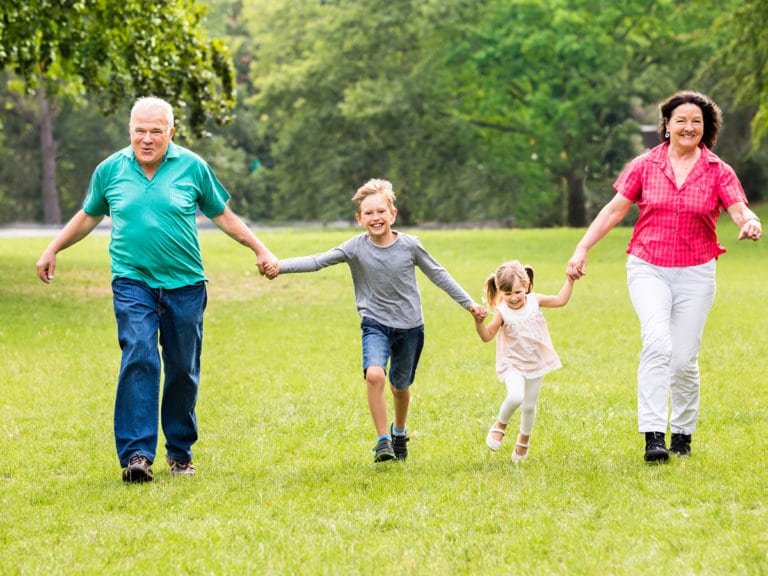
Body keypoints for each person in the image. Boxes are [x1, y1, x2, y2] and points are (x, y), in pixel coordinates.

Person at [36, 96, 277, 483]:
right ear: (130, 130)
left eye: (155, 131)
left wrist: (259, 247)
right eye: (139, 131)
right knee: (140, 355)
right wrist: (52, 248)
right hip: (133, 281)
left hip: (185, 285)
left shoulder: (192, 167)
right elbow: (87, 215)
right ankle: (136, 455)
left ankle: (180, 452)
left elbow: (223, 215)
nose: (146, 139)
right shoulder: (110, 170)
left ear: (170, 132)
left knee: (183, 369)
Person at [566, 90, 762, 462]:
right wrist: (582, 248)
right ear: (667, 125)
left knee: (684, 359)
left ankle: (683, 434)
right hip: (648, 267)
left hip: (696, 272)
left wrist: (750, 223)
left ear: (706, 128)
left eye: (696, 122)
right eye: (681, 120)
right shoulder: (644, 165)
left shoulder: (718, 170)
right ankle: (653, 436)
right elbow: (612, 211)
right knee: (657, 344)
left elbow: (739, 209)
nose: (689, 127)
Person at [263, 178, 486, 462]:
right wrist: (279, 266)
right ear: (359, 219)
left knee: (400, 387)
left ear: (393, 214)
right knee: (374, 375)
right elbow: (319, 260)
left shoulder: (409, 245)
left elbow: (438, 274)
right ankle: (383, 441)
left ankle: (399, 432)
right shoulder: (355, 248)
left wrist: (469, 304)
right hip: (375, 324)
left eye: (381, 211)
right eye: (368, 213)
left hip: (410, 327)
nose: (375, 217)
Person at [474, 261, 575, 462]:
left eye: (518, 292)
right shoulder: (503, 312)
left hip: (535, 362)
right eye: (507, 294)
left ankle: (524, 440)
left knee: (529, 406)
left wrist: (570, 280)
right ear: (500, 292)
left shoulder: (535, 301)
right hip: (512, 363)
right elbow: (487, 336)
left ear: (527, 286)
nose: (513, 298)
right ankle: (499, 426)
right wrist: (478, 322)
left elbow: (561, 300)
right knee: (516, 396)